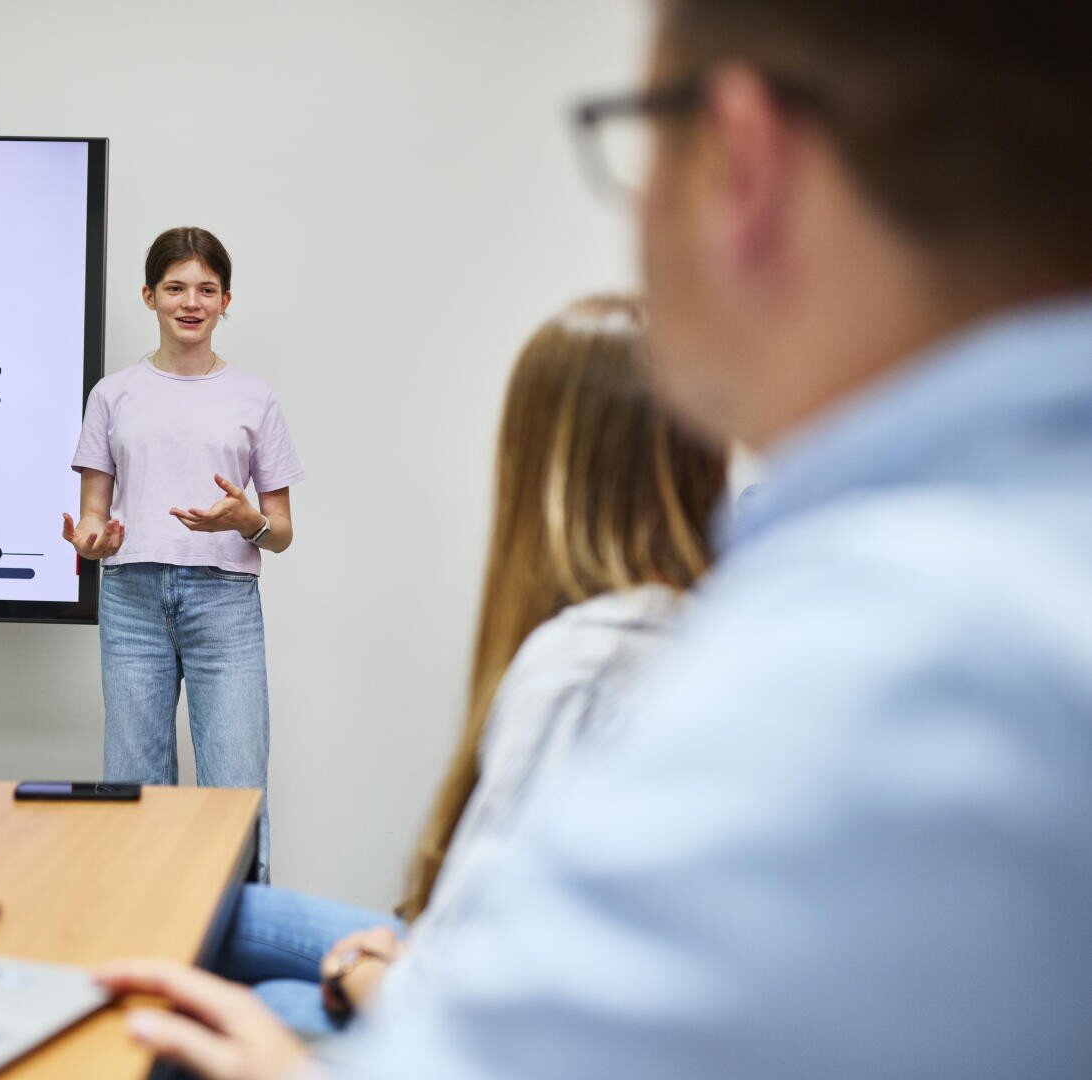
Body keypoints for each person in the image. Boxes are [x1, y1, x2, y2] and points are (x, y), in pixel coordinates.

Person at [96, 1, 1092, 1076]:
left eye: (638, 137)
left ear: (737, 158)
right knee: (163, 856)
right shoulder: (945, 574)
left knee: (173, 952)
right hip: (143, 605)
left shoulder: (861, 649)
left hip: (245, 640)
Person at [211, 295, 726, 1036]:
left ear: (542, 464)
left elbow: (479, 1002)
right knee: (227, 909)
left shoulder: (583, 665)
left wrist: (362, 970)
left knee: (250, 1003)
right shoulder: (698, 619)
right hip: (481, 965)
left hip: (487, 1016)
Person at [65, 227, 304, 883]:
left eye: (205, 289)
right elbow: (93, 512)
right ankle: (142, 936)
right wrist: (93, 539)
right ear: (149, 295)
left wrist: (247, 519)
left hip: (223, 602)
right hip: (132, 600)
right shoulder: (113, 394)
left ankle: (235, 948)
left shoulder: (254, 398)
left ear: (226, 299)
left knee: (233, 789)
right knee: (133, 786)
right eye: (175, 288)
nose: (190, 302)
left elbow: (280, 530)